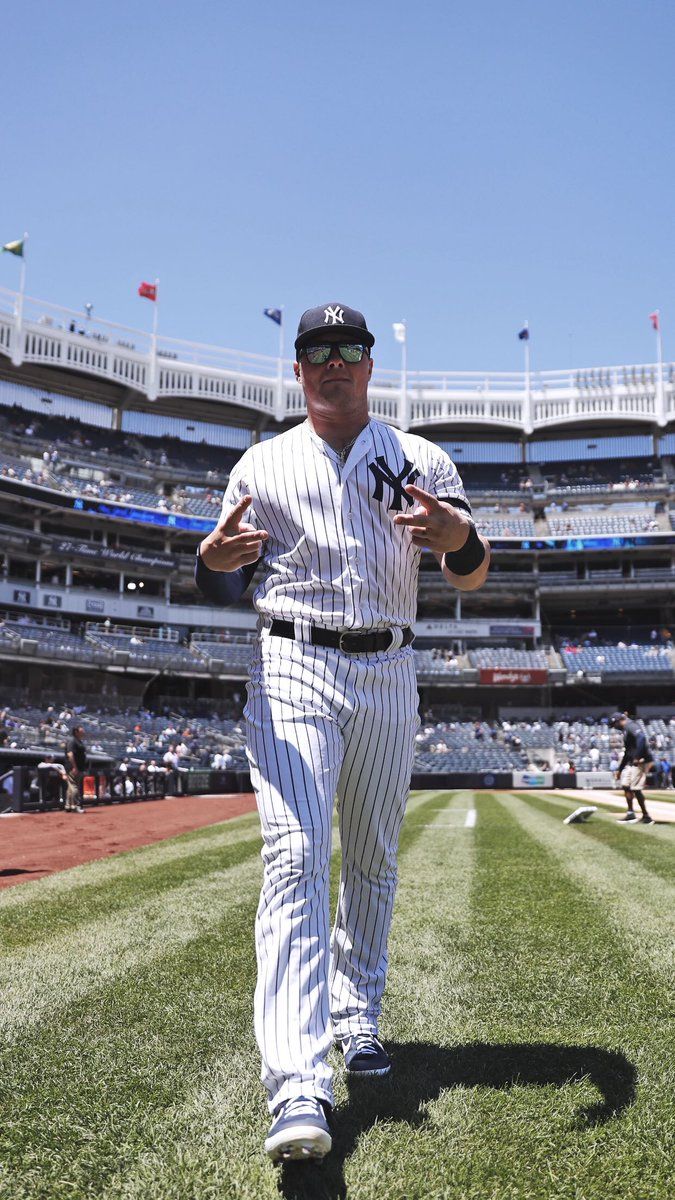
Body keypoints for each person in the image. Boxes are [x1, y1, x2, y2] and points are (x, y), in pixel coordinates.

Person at [196, 302, 491, 1162]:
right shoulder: (263, 461)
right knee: (293, 855)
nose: (334, 363)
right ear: (298, 369)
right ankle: (297, 1083)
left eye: (348, 350)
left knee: (370, 857)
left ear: (368, 364)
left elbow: (472, 575)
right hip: (291, 661)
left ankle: (357, 1020)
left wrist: (457, 534)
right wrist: (211, 565)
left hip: (390, 663)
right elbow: (222, 579)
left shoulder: (418, 459)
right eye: (317, 351)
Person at [610, 712, 654, 824]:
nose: (615, 727)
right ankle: (631, 814)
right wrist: (620, 770)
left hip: (640, 761)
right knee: (625, 785)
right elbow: (627, 753)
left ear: (619, 720)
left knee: (635, 788)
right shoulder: (625, 729)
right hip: (632, 762)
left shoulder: (630, 725)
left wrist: (638, 756)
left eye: (614, 724)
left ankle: (646, 816)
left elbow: (641, 738)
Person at [64, 724, 87, 813]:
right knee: (75, 787)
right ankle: (77, 806)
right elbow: (70, 755)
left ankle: (68, 805)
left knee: (71, 787)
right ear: (76, 732)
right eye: (81, 730)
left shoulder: (79, 741)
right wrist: (74, 767)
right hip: (73, 768)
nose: (83, 732)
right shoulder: (72, 741)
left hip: (78, 767)